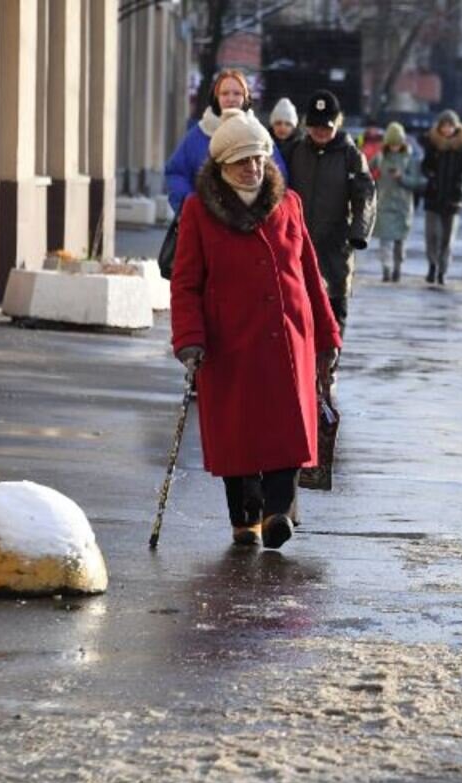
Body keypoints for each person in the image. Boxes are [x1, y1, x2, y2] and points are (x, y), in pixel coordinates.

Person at [170, 108, 342, 550]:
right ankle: (245, 517)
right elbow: (186, 284)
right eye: (243, 161)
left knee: (287, 432)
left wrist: (327, 338)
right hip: (230, 342)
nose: (252, 169)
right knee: (238, 435)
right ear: (223, 165)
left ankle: (277, 513)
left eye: (259, 159)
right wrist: (189, 339)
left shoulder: (289, 204)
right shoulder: (198, 211)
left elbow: (310, 275)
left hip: (288, 338)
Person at [286, 90, 376, 335]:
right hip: (298, 246)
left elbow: (365, 196)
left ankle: (329, 368)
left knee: (333, 313)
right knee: (297, 311)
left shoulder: (351, 156)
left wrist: (358, 233)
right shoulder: (296, 152)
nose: (320, 132)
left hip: (335, 247)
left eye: (326, 126)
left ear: (337, 123)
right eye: (314, 126)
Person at [165, 70, 288, 216]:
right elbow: (176, 173)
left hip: (251, 224)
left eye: (237, 93)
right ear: (216, 97)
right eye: (225, 93)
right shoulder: (198, 134)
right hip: (206, 223)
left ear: (246, 97)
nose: (231, 99)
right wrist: (190, 206)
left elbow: (278, 176)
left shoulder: (258, 134)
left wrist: (263, 211)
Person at [420, 109, 462, 285]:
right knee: (432, 236)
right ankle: (432, 266)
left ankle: (443, 270)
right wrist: (431, 176)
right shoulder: (432, 144)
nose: (447, 129)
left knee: (447, 238)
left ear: (455, 127)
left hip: (453, 197)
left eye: (450, 125)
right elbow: (424, 166)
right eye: (444, 125)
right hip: (433, 197)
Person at [369, 122, 424, 282]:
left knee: (400, 241)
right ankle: (386, 269)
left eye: (397, 144)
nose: (394, 147)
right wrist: (374, 176)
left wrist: (402, 178)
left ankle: (397, 268)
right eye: (391, 144)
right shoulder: (379, 157)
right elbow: (365, 171)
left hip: (403, 206)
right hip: (384, 203)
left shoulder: (410, 159)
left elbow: (418, 182)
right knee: (385, 241)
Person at [268, 97, 302, 180]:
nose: (282, 128)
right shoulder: (264, 145)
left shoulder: (301, 148)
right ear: (272, 126)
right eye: (278, 123)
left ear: (294, 127)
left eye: (288, 124)